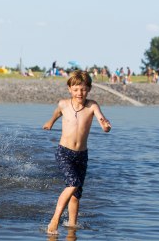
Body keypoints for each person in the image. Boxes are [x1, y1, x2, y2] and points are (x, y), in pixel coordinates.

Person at [42, 70, 112, 235]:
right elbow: (57, 113)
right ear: (69, 89)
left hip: (81, 155)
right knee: (72, 183)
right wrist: (50, 122)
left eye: (83, 89)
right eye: (76, 89)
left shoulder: (92, 106)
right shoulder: (63, 104)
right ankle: (55, 218)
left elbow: (102, 121)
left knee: (76, 192)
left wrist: (106, 127)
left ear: (89, 89)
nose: (79, 93)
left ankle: (72, 226)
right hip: (64, 153)